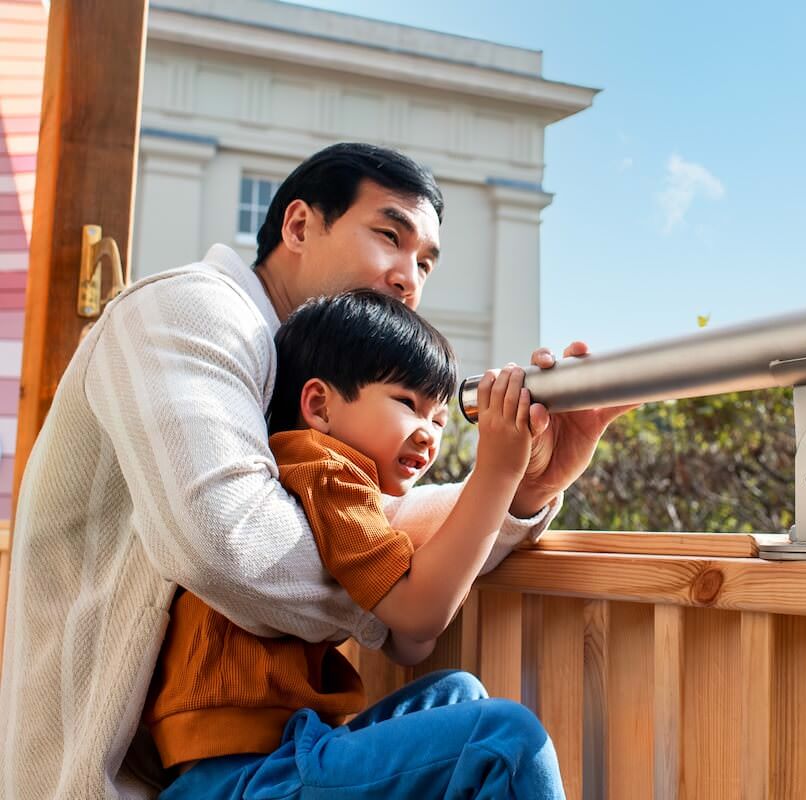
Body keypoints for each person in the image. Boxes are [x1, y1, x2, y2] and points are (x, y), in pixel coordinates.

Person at [0, 143, 627, 799]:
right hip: (121, 779)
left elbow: (363, 528)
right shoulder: (189, 311)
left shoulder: (308, 396)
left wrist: (528, 481)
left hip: (257, 754)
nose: (409, 276)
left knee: (457, 698)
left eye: (426, 262)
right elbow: (232, 547)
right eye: (390, 235)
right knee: (499, 741)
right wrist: (397, 592)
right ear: (299, 226)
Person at [146, 289, 564, 797]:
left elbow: (412, 641)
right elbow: (418, 616)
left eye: (438, 419)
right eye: (408, 404)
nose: (429, 435)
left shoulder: (344, 491)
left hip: (275, 757)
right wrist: (498, 471)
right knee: (505, 739)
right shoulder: (324, 467)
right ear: (320, 405)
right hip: (239, 777)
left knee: (459, 694)